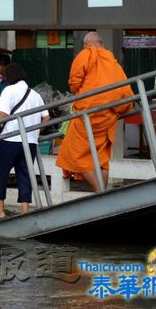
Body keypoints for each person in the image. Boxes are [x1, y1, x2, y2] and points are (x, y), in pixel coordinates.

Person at [56, 32, 133, 193]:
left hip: (88, 112)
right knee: (101, 158)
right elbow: (125, 90)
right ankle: (103, 192)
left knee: (73, 152)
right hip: (109, 115)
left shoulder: (86, 54)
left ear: (87, 44)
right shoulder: (113, 62)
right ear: (102, 44)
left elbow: (74, 83)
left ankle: (100, 194)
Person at [0, 63, 50, 217]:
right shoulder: (35, 95)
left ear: (9, 77)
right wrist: (34, 132)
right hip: (30, 143)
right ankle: (25, 210)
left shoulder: (9, 90)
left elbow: (3, 115)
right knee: (25, 174)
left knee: (1, 173)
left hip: (10, 140)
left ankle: (0, 210)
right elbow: (46, 118)